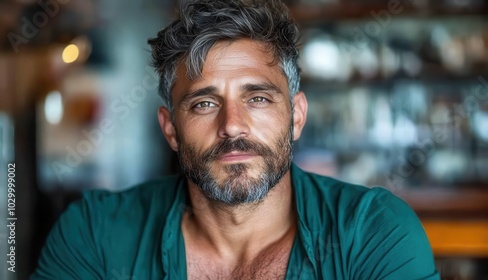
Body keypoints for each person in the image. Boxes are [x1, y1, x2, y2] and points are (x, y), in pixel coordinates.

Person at [32, 0, 440, 279]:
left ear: (296, 116)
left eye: (258, 98)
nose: (232, 125)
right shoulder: (95, 233)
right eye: (204, 104)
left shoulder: (373, 234)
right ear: (170, 129)